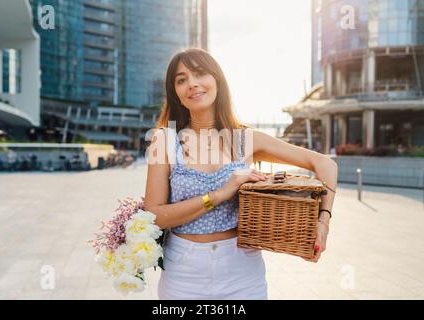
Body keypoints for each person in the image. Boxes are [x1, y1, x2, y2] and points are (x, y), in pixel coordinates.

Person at [144, 48, 338, 300]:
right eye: (181, 80)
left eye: (200, 74)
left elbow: (324, 164)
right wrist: (220, 193)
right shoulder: (164, 141)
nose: (192, 83)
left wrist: (323, 221)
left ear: (217, 81)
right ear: (176, 94)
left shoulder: (246, 139)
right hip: (183, 272)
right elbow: (154, 216)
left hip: (242, 272)